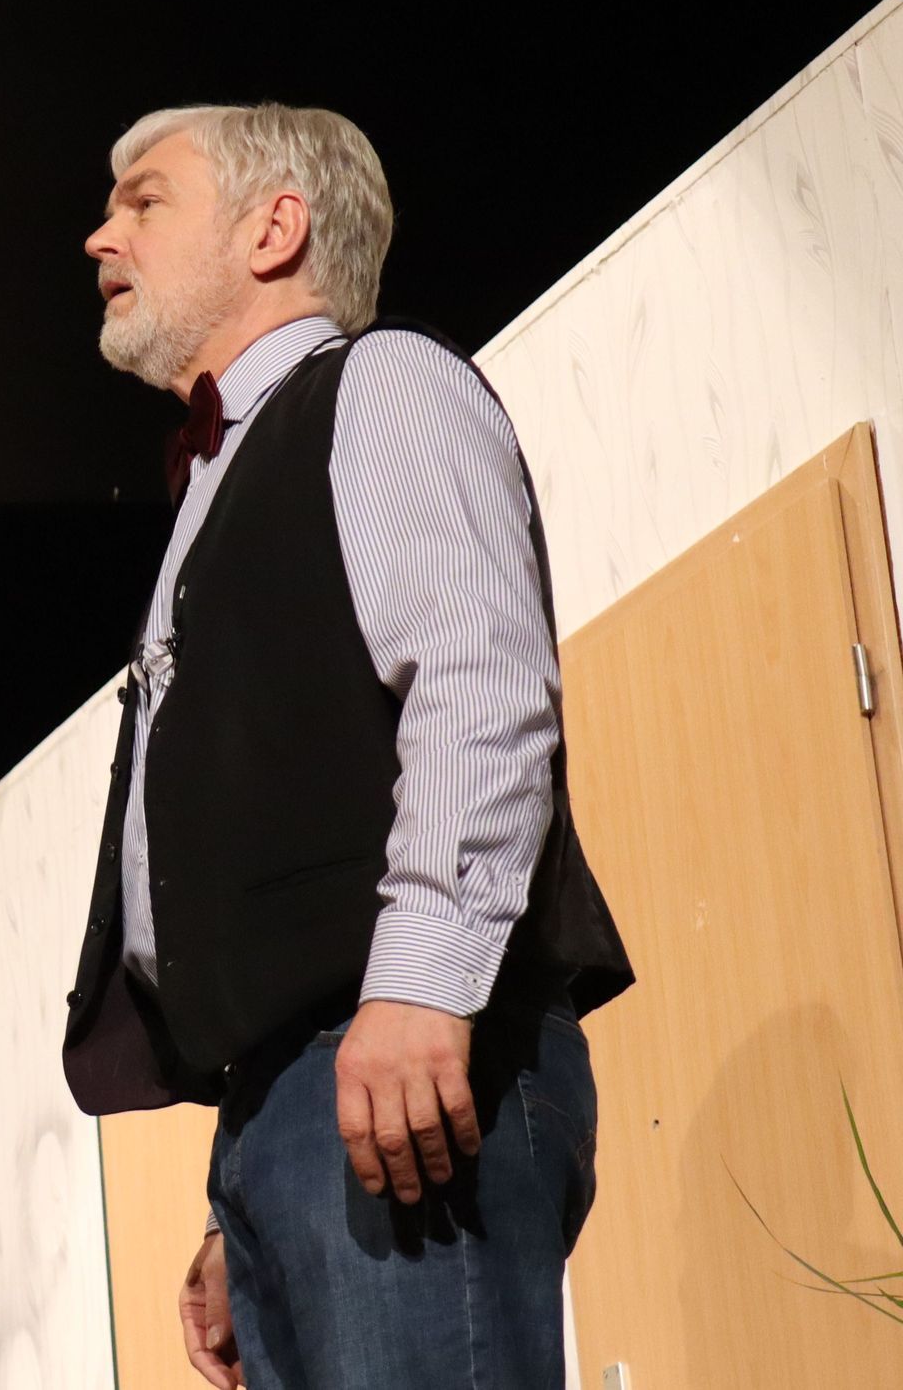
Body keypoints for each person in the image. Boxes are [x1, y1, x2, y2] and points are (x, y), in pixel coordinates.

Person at [61, 104, 634, 1388]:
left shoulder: (380, 385)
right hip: (292, 1101)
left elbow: (477, 687)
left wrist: (421, 986)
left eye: (143, 201)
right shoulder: (218, 473)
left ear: (274, 228)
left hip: (403, 1063)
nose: (100, 235)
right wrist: (239, 1189)